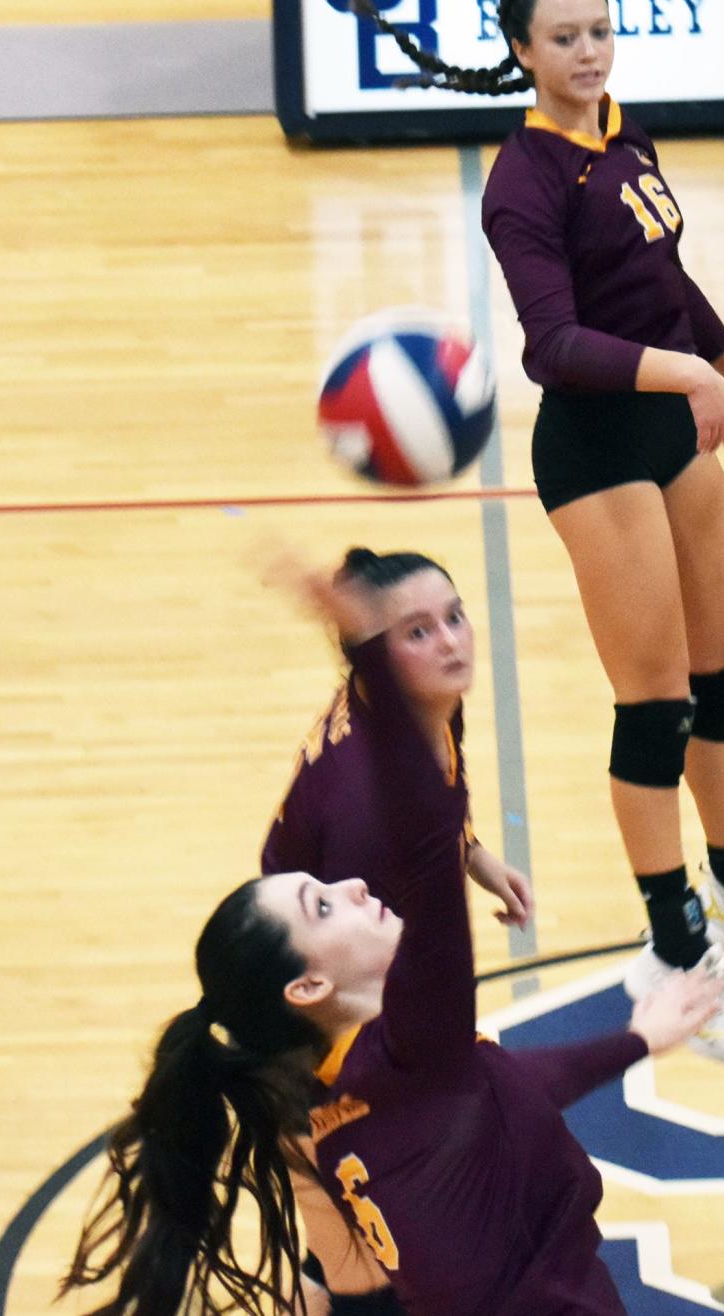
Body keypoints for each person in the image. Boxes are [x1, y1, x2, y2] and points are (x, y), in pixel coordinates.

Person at [351, 0, 724, 1067]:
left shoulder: (624, 133)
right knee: (655, 702)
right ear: (523, 51)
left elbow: (674, 288)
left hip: (673, 422)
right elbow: (553, 345)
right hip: (598, 446)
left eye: (600, 31)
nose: (589, 52)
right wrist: (690, 379)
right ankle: (675, 948)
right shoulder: (520, 181)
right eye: (564, 38)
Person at [61, 568, 723, 1316]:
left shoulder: (353, 1100)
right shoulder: (413, 1052)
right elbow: (425, 850)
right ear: (309, 986)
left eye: (453, 618)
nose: (351, 887)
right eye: (322, 903)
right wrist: (373, 656)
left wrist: (636, 1040)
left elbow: (503, 1089)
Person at [260, 546, 534, 1316]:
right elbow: (385, 993)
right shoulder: (370, 820)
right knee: (369, 1279)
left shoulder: (416, 704)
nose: (450, 642)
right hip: (313, 1043)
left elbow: (442, 793)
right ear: (376, 655)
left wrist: (473, 855)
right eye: (418, 632)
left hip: (320, 975)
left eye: (454, 616)